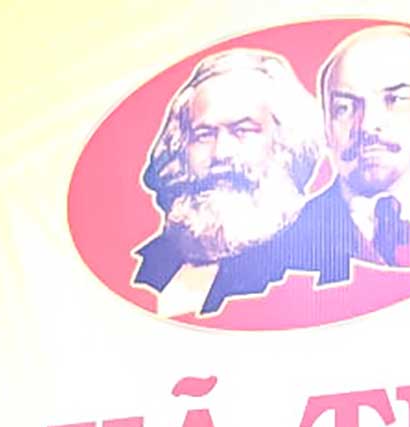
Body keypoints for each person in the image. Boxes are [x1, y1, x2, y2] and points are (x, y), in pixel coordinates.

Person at [243, 25, 410, 287]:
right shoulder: (276, 249)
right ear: (326, 126)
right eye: (345, 108)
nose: (366, 125)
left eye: (395, 99)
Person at [131, 48, 324, 317]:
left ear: (284, 142)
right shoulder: (146, 265)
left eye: (243, 130)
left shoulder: (317, 264)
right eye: (204, 134)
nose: (220, 153)